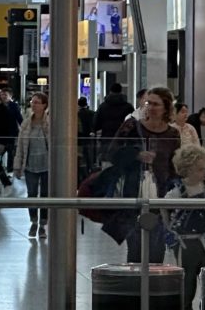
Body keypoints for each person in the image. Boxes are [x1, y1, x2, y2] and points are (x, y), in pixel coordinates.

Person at [107, 87, 181, 263]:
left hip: (161, 194)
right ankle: (135, 284)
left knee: (157, 244)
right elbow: (111, 152)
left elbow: (174, 165)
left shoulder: (172, 134)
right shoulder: (131, 126)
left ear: (166, 107)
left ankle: (153, 285)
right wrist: (135, 155)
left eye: (156, 104)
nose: (151, 107)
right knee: (135, 244)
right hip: (134, 190)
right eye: (148, 103)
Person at [165, 144, 205, 310]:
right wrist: (170, 235)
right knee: (186, 285)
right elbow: (165, 211)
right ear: (187, 169)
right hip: (185, 243)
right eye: (200, 169)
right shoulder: (177, 192)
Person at [14, 93, 50, 239]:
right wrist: (17, 165)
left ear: (44, 105)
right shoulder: (26, 123)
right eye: (32, 102)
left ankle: (43, 223)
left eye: (37, 102)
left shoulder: (49, 123)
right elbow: (20, 146)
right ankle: (34, 221)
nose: (34, 105)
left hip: (47, 164)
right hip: (30, 164)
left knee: (46, 195)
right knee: (32, 194)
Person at [95, 82, 134, 160]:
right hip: (123, 140)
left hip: (107, 138)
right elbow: (133, 122)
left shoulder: (103, 107)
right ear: (121, 91)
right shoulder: (128, 107)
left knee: (107, 162)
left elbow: (96, 123)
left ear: (110, 91)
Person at [77, 96, 96, 176]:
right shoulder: (91, 113)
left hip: (79, 140)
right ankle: (90, 171)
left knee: (80, 158)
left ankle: (82, 174)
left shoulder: (76, 114)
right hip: (90, 138)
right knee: (89, 157)